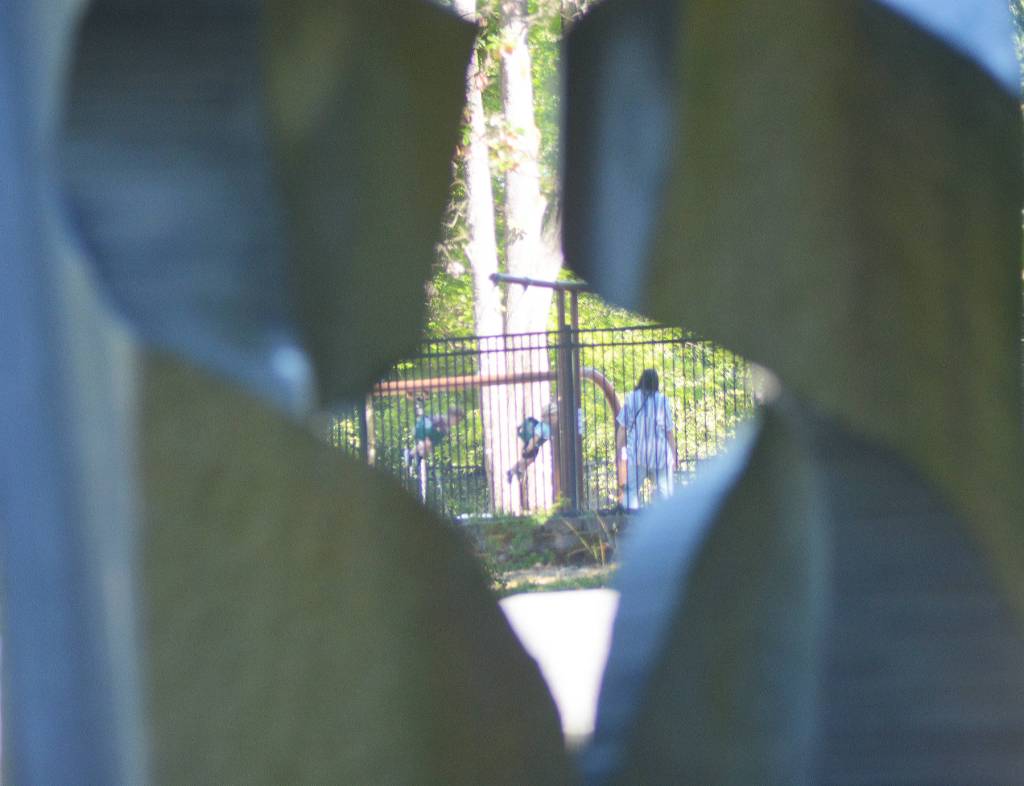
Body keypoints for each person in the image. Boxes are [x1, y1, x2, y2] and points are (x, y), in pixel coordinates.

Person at [616, 369, 676, 509]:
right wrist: (674, 454)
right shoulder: (662, 400)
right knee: (665, 492)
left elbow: (622, 428)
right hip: (660, 454)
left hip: (637, 453)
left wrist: (619, 449)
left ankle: (630, 517)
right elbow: (669, 432)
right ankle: (667, 517)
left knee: (631, 492)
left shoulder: (631, 398)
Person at [507, 402, 558, 483]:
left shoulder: (547, 427)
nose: (556, 418)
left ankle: (515, 471)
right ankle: (516, 471)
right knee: (527, 459)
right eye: (555, 415)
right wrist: (529, 448)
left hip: (535, 446)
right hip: (532, 446)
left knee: (529, 459)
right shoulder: (543, 427)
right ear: (550, 416)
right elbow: (535, 438)